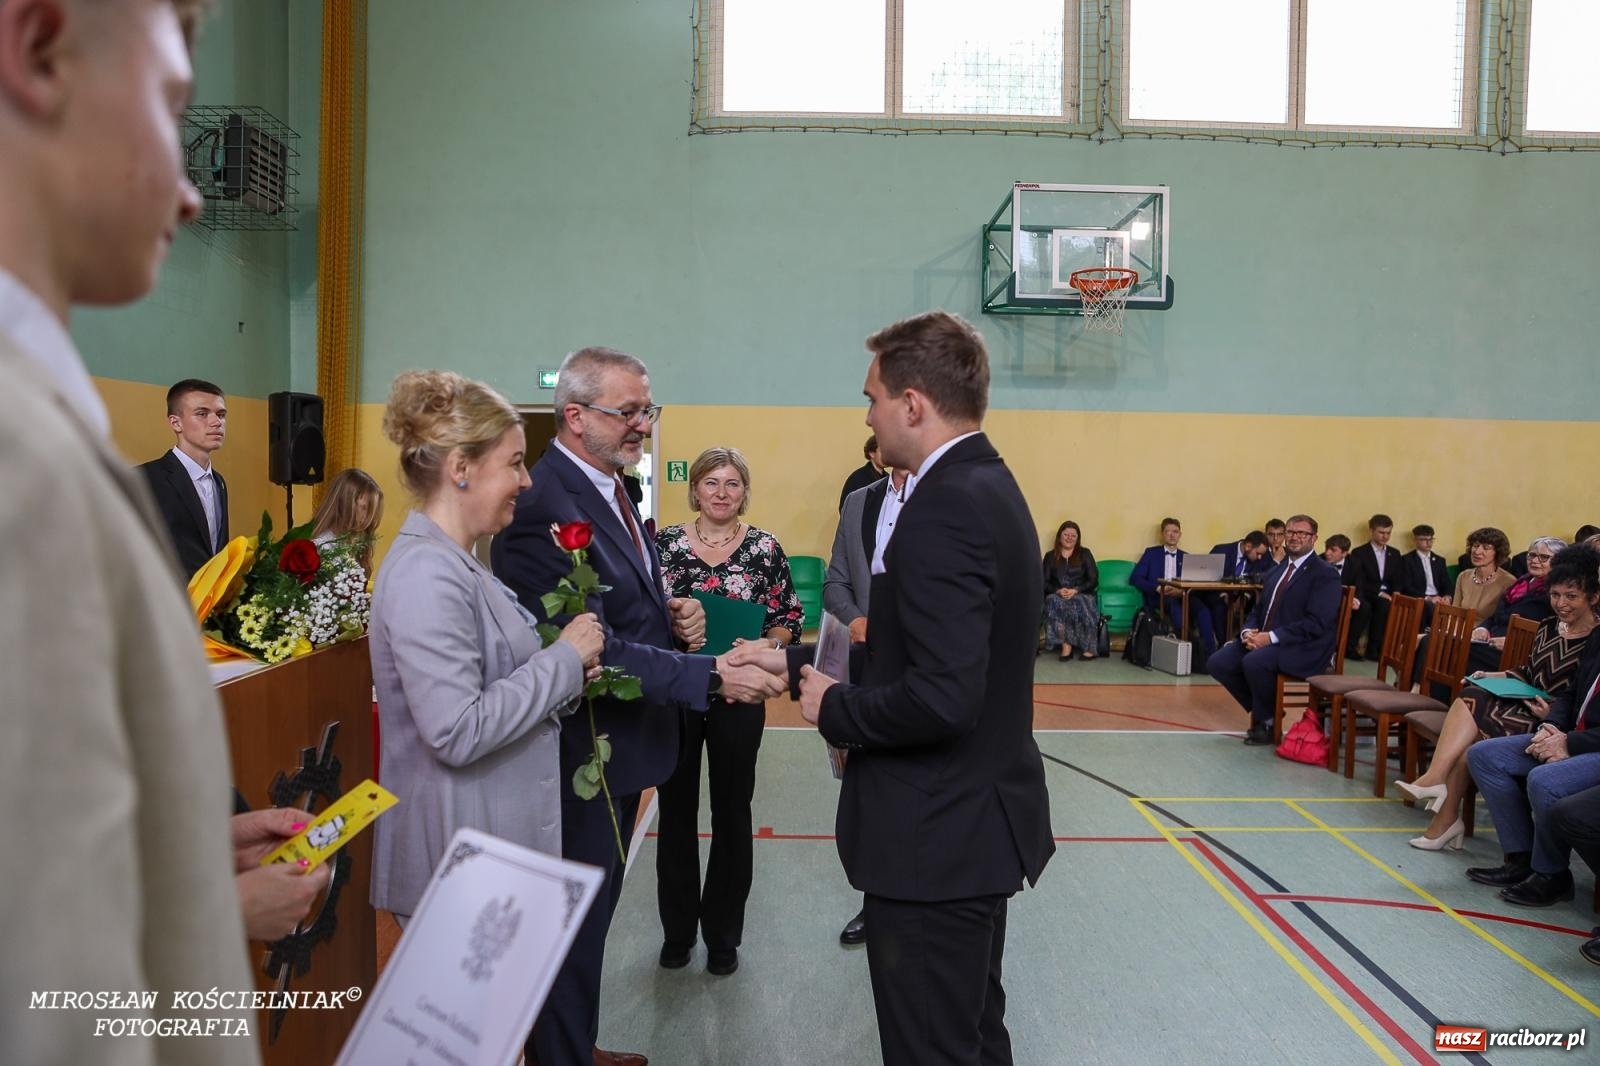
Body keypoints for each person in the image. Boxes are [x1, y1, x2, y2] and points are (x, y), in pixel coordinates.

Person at [1, 1, 319, 1061]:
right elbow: (51, 1008)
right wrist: (213, 918)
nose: (189, 194)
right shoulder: (20, 460)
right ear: (39, 49)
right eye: (171, 109)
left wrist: (181, 857)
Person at [732, 310, 1054, 1066]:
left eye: (872, 398)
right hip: (968, 827)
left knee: (933, 1049)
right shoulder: (985, 483)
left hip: (935, 836)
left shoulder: (944, 507)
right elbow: (925, 649)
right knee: (972, 1037)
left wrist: (834, 706)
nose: (868, 416)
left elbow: (943, 698)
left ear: (912, 404)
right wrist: (796, 662)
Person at [491, 346, 785, 1066]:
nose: (643, 425)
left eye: (647, 411)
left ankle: (575, 1043)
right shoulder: (543, 507)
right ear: (575, 415)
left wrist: (674, 615)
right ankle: (559, 1054)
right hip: (584, 748)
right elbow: (586, 648)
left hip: (625, 745)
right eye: (628, 412)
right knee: (572, 924)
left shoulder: (614, 490)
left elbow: (623, 610)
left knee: (590, 920)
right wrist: (709, 674)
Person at [367, 370, 605, 927]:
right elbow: (457, 728)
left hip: (487, 842)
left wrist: (569, 676)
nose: (525, 480)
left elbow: (501, 680)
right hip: (460, 854)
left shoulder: (462, 563)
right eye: (514, 463)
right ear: (461, 468)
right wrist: (564, 660)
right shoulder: (427, 572)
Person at [654, 447, 803, 977]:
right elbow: (644, 615)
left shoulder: (765, 548)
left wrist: (767, 643)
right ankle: (677, 932)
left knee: (732, 814)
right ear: (694, 490)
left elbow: (788, 617)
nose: (721, 492)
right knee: (675, 813)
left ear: (744, 492)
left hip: (740, 695)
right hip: (678, 691)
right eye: (711, 482)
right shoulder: (663, 545)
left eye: (732, 483)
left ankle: (722, 936)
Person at [1395, 543, 1598, 850]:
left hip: (1551, 723)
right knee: (1472, 691)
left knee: (1472, 746)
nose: (1561, 603)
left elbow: (1582, 699)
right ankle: (1436, 783)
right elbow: (1528, 671)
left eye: (1571, 596)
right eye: (1555, 595)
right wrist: (1493, 675)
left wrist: (1552, 716)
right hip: (1524, 704)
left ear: (1592, 597)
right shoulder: (1549, 626)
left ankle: (1444, 818)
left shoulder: (1594, 638)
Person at [822, 462, 913, 947]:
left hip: (927, 673)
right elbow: (835, 582)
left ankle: (920, 903)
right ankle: (876, 905)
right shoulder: (859, 502)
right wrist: (857, 621)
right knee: (873, 793)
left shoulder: (949, 495)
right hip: (868, 670)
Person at [1464, 633, 1600, 908]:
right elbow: (1572, 691)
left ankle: (1552, 875)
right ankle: (1522, 858)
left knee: (1544, 780)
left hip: (1592, 746)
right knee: (1483, 756)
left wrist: (1569, 743)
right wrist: (1551, 726)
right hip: (1570, 735)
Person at [1208, 515, 1344, 745]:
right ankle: (1270, 710)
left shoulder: (1325, 574)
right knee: (1218, 662)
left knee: (1255, 662)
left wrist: (1270, 638)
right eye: (1290, 532)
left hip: (1305, 646)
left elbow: (1317, 623)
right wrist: (1248, 632)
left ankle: (1267, 723)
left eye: (1302, 533)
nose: (1295, 537)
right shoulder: (1276, 570)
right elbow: (1258, 610)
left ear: (1314, 538)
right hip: (1269, 640)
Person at [139, 377, 229, 578]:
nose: (216, 422)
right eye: (202, 414)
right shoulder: (146, 478)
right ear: (176, 422)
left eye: (221, 414)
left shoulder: (219, 482)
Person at [1130, 517, 1217, 658]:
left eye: (1175, 532)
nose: (1172, 535)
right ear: (1162, 534)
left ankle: (1211, 654)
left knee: (1203, 610)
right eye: (1168, 532)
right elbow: (1135, 578)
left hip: (1183, 595)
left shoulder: (1186, 557)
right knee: (1176, 607)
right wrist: (1157, 588)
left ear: (1180, 534)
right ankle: (1185, 651)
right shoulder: (1151, 553)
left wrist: (1182, 591)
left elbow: (1194, 583)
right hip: (1159, 596)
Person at [1343, 514, 1403, 661]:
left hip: (1388, 595)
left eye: (1388, 533)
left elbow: (1398, 578)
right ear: (1371, 531)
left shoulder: (1395, 553)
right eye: (1381, 532)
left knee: (1390, 604)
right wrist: (1379, 593)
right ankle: (1353, 647)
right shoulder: (1360, 552)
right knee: (1373, 606)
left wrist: (1396, 592)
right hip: (1366, 592)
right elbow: (1360, 580)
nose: (1385, 536)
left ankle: (1381, 650)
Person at [309, 466, 385, 573]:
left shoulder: (354, 546)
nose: (368, 517)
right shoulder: (321, 549)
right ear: (344, 502)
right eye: (364, 508)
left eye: (372, 511)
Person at [1042, 520, 1099, 661]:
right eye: (1066, 534)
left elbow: (1093, 579)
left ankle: (1089, 647)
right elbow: (1043, 581)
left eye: (1073, 536)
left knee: (1079, 603)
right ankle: (1066, 645)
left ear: (1078, 539)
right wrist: (1057, 590)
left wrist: (1076, 590)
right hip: (1058, 593)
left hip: (1081, 593)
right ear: (1059, 536)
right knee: (1053, 601)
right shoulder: (1050, 556)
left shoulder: (1085, 554)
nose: (1069, 538)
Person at [1452, 526, 1515, 626]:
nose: (1477, 552)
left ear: (1497, 552)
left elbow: (1503, 622)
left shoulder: (1509, 582)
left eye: (1486, 548)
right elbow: (1454, 613)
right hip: (1458, 631)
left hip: (1486, 633)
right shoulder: (1463, 576)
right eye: (1475, 546)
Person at [1398, 523, 1453, 629]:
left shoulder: (1439, 560)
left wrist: (1447, 597)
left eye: (1431, 539)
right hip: (1420, 598)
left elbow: (1447, 583)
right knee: (1429, 607)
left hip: (1438, 598)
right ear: (1415, 540)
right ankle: (1427, 636)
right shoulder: (1407, 560)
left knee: (1452, 608)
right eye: (1424, 539)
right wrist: (1428, 598)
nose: (1428, 543)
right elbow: (1406, 587)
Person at [838, 433, 885, 510]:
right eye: (882, 451)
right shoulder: (857, 478)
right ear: (872, 453)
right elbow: (846, 509)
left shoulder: (888, 478)